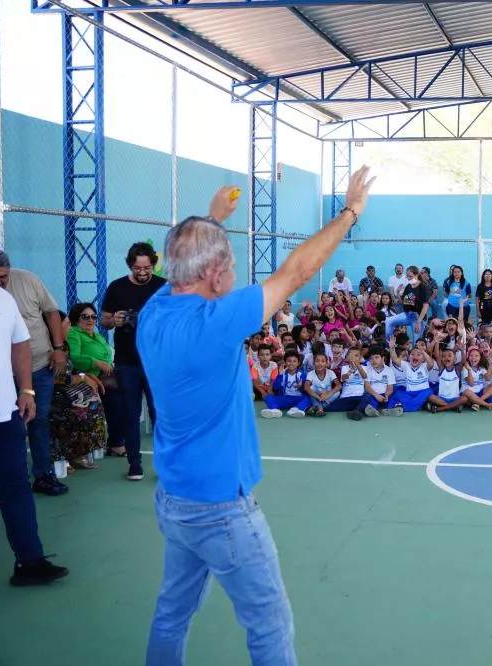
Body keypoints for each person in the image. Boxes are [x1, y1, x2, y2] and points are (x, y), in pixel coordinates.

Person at [139, 168, 374, 665]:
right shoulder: (216, 323)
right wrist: (350, 212)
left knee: (171, 612)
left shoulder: (153, 312)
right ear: (211, 275)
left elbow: (178, 262)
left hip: (175, 499)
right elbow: (297, 272)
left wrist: (212, 219)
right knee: (269, 621)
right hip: (221, 508)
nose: (233, 274)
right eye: (227, 265)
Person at [0, 284, 69, 586]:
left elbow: (20, 344)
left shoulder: (2, 298)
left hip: (6, 413)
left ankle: (29, 560)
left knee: (16, 486)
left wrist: (26, 390)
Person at [0, 250, 69, 498]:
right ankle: (9, 484)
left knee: (39, 420)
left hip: (38, 365)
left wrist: (58, 349)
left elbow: (52, 312)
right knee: (4, 428)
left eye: (2, 277)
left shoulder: (28, 280)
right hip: (0, 376)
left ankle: (43, 475)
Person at [100, 242, 166, 482]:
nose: (142, 272)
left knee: (160, 413)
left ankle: (164, 464)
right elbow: (104, 320)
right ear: (130, 265)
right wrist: (114, 320)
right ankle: (134, 463)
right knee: (130, 413)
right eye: (138, 268)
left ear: (153, 265)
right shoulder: (117, 287)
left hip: (157, 363)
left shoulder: (164, 287)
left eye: (147, 268)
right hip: (127, 361)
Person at [50, 311, 107, 470]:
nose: (69, 327)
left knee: (92, 404)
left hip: (67, 390)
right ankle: (60, 457)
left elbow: (73, 370)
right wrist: (81, 378)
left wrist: (86, 375)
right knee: (73, 410)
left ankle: (78, 453)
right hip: (53, 393)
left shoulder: (65, 345)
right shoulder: (48, 348)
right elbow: (56, 378)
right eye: (66, 324)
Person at [66, 302, 123, 456]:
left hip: (104, 376)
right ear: (76, 319)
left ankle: (116, 441)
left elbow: (106, 355)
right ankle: (116, 443)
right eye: (85, 316)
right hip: (84, 377)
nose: (90, 320)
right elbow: (74, 357)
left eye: (93, 316)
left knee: (124, 397)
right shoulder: (74, 333)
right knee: (116, 401)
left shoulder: (96, 335)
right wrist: (96, 362)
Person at [384, 266, 430, 343]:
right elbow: (403, 302)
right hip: (407, 314)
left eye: (410, 276)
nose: (408, 278)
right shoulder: (408, 286)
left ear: (417, 275)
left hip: (418, 317)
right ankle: (390, 345)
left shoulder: (423, 287)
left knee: (416, 343)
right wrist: (398, 293)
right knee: (388, 321)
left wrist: (418, 322)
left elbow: (426, 306)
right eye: (407, 276)